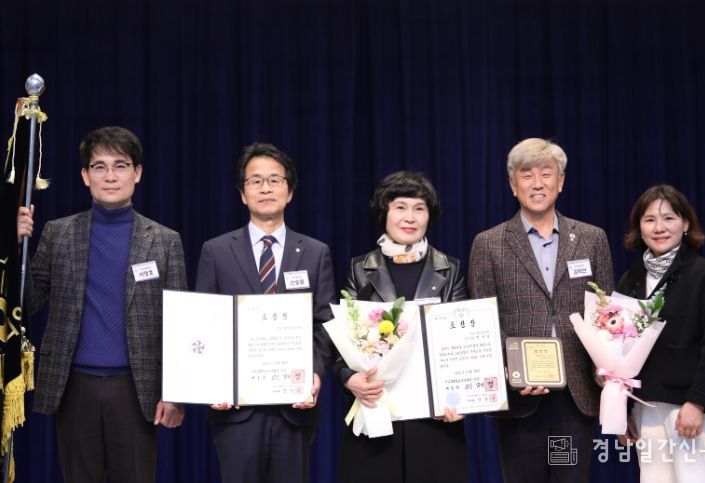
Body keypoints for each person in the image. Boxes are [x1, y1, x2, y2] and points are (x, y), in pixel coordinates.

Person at [16, 126, 187, 483]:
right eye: (99, 166)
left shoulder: (165, 241)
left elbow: (179, 325)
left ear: (137, 173)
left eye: (121, 165)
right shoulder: (59, 233)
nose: (110, 176)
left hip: (136, 389)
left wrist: (177, 393)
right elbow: (27, 302)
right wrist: (16, 245)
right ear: (85, 176)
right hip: (74, 387)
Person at [468, 138, 614, 482]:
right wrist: (511, 370)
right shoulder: (488, 244)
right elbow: (482, 319)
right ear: (512, 184)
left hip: (574, 396)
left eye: (546, 174)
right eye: (527, 175)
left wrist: (606, 370)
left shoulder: (592, 239)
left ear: (560, 181)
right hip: (521, 397)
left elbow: (607, 314)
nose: (537, 183)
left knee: (568, 477)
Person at [195, 142, 335, 483]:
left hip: (294, 408)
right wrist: (212, 382)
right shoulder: (216, 251)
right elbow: (203, 324)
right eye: (255, 181)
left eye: (275, 180)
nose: (266, 188)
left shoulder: (315, 252)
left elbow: (324, 324)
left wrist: (315, 374)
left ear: (290, 192)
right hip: (236, 411)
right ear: (243, 194)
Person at [335, 171, 468, 483]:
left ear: (429, 216)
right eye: (400, 207)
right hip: (376, 411)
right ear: (385, 213)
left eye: (419, 208)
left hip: (434, 418)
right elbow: (343, 342)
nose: (410, 217)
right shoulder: (360, 269)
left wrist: (459, 398)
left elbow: (463, 343)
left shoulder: (450, 269)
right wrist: (349, 378)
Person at [617, 184, 705, 483]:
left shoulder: (704, 274)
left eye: (669, 218)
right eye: (649, 219)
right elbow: (617, 351)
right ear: (639, 228)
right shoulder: (630, 281)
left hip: (693, 412)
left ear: (685, 224)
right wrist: (621, 411)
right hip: (647, 411)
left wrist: (698, 402)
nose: (659, 228)